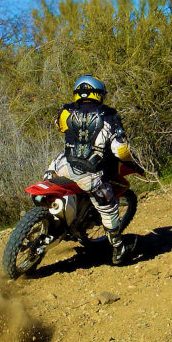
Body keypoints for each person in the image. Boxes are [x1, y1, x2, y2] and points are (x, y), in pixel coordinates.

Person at [45, 74, 138, 265]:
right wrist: (131, 160)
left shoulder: (66, 111)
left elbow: (58, 126)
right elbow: (120, 149)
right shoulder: (109, 116)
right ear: (98, 94)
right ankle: (118, 249)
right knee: (109, 208)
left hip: (63, 166)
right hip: (89, 174)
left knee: (58, 160)